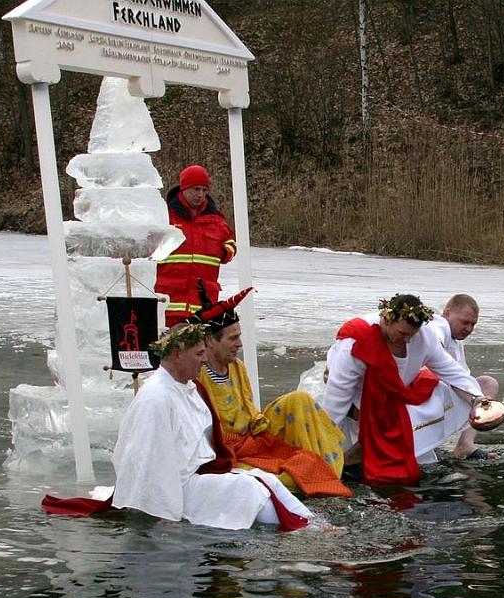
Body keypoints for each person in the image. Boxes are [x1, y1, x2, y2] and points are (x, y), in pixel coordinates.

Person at [111, 322, 314, 530]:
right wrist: (166, 512)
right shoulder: (156, 396)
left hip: (197, 474)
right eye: (199, 353)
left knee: (264, 478)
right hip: (177, 488)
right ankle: (301, 530)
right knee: (248, 488)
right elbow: (148, 458)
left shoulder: (189, 386)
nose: (205, 359)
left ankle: (312, 523)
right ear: (177, 354)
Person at [322, 293, 492, 486]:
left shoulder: (424, 337)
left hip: (395, 395)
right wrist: (323, 445)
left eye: (412, 334)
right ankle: (355, 456)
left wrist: (477, 398)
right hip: (357, 397)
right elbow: (337, 397)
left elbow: (452, 371)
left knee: (458, 392)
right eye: (402, 334)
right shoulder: (355, 343)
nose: (408, 340)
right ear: (387, 320)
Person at [196, 289, 351, 498]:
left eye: (239, 336)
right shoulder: (198, 374)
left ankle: (327, 468)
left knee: (299, 400)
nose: (240, 344)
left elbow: (250, 412)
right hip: (226, 449)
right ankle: (313, 478)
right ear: (210, 341)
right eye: (233, 338)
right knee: (281, 479)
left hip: (252, 437)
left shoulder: (237, 366)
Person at [155, 164, 237, 327]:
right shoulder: (163, 217)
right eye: (196, 189)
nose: (200, 195)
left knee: (199, 350)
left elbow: (231, 243)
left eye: (204, 190)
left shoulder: (216, 220)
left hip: (203, 306)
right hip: (169, 305)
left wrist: (225, 251)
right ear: (183, 188)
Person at [426, 293, 500, 458]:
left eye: (473, 324)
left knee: (487, 384)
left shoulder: (456, 342)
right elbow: (434, 342)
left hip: (440, 396)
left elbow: (463, 378)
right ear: (447, 313)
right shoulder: (439, 326)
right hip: (420, 397)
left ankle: (465, 444)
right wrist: (474, 399)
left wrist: (478, 398)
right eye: (465, 322)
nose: (469, 329)